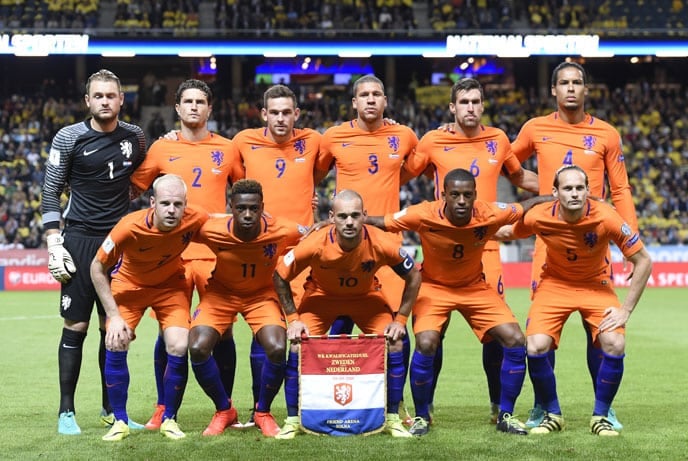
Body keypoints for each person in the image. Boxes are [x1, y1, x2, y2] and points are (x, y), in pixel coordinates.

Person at [366, 168, 553, 436]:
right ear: (444, 196)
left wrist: (556, 197)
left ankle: (506, 415)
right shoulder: (423, 213)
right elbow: (380, 221)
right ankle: (421, 417)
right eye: (455, 195)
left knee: (515, 339)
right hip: (433, 287)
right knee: (427, 342)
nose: (462, 201)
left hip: (474, 287)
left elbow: (524, 206)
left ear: (475, 195)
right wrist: (335, 222)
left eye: (467, 195)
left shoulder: (489, 212)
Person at [401, 77, 539, 423]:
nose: (471, 108)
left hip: (486, 248)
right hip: (441, 248)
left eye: (476, 102)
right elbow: (398, 176)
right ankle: (425, 410)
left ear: (483, 105)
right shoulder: (433, 140)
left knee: (496, 336)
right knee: (432, 335)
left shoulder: (498, 139)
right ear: (452, 107)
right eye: (464, 102)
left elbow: (521, 178)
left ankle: (499, 408)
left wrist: (570, 187)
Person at [511, 61, 638, 430]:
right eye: (563, 82)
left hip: (594, 242)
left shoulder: (606, 134)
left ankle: (604, 408)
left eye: (577, 82)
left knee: (599, 333)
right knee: (542, 336)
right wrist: (544, 191)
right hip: (549, 244)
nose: (570, 88)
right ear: (554, 90)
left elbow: (621, 189)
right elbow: (508, 164)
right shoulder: (536, 128)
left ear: (586, 89)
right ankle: (542, 405)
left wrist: (628, 237)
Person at [497, 165, 652, 436]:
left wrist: (625, 310)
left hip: (596, 286)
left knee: (614, 343)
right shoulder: (540, 216)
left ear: (588, 191)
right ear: (555, 192)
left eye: (580, 188)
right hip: (554, 286)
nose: (574, 194)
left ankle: (601, 416)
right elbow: (506, 233)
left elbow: (643, 260)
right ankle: (553, 413)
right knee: (535, 346)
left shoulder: (606, 216)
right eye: (568, 188)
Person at [41, 69, 147, 435]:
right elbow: (50, 192)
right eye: (98, 96)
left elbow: (138, 180)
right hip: (80, 240)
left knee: (114, 329)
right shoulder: (69, 137)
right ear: (88, 101)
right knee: (77, 325)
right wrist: (54, 242)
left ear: (122, 99)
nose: (105, 101)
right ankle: (66, 412)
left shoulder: (135, 137)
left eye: (111, 95)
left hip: (120, 243)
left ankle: (112, 410)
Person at [131, 79, 241, 430]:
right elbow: (135, 189)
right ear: (177, 109)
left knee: (222, 333)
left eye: (200, 101)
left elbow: (245, 196)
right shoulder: (162, 149)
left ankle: (225, 408)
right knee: (169, 333)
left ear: (210, 108)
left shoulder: (228, 148)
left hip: (214, 255)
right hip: (172, 257)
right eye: (187, 102)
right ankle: (163, 406)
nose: (194, 107)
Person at [273, 190, 422, 439]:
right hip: (321, 298)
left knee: (396, 342)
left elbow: (414, 275)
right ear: (332, 217)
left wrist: (401, 319)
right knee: (297, 345)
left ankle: (393, 418)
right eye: (342, 216)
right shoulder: (315, 243)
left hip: (365, 298)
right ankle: (293, 419)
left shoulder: (382, 242)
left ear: (364, 215)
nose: (349, 221)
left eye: (355, 215)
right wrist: (293, 319)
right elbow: (279, 275)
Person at [315, 74, 419, 420]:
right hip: (343, 248)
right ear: (354, 103)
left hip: (387, 249)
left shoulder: (403, 136)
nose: (371, 100)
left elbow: (416, 168)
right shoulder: (333, 137)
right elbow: (310, 176)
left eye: (377, 94)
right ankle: (330, 397)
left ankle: (396, 402)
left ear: (385, 101)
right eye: (364, 95)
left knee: (393, 329)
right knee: (338, 326)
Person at [229, 84, 325, 425]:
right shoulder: (243, 141)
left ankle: (305, 410)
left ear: (296, 114)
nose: (281, 118)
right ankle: (261, 409)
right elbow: (237, 187)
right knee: (266, 333)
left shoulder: (314, 141)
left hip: (303, 256)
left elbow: (322, 172)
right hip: (262, 255)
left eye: (288, 112)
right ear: (264, 114)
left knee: (307, 333)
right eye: (275, 112)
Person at [91, 174, 208, 441]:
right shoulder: (128, 227)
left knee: (179, 344)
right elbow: (96, 267)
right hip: (130, 287)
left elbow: (224, 223)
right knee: (116, 340)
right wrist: (113, 316)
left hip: (171, 287)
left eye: (178, 204)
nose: (172, 210)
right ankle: (119, 421)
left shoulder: (195, 217)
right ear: (153, 202)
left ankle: (170, 419)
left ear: (186, 205)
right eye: (165, 203)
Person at [189, 179, 306, 437]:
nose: (248, 214)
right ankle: (224, 410)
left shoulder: (282, 229)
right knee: (197, 348)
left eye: (254, 208)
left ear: (262, 207)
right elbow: (178, 229)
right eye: (241, 208)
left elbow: (312, 234)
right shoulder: (212, 230)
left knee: (276, 347)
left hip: (261, 297)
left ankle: (262, 412)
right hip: (221, 294)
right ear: (231, 207)